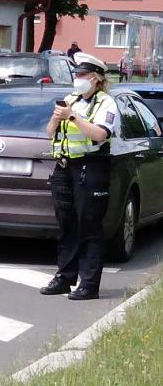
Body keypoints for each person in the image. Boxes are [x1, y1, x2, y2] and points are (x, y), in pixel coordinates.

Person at [42, 52, 120, 300]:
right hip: (65, 167)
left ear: (96, 78)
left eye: (83, 74)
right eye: (77, 74)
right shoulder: (71, 99)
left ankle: (89, 284)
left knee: (89, 225)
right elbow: (49, 132)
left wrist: (73, 116)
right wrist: (56, 119)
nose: (78, 78)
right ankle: (65, 277)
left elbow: (100, 134)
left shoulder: (106, 103)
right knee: (67, 224)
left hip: (91, 167)